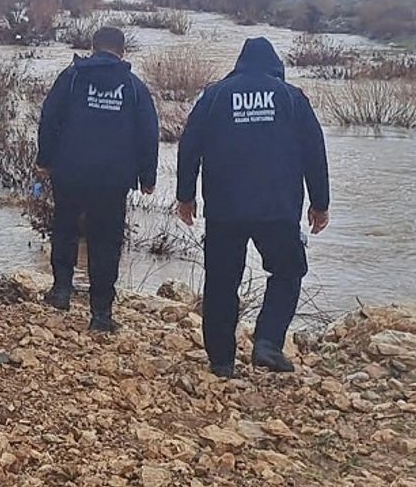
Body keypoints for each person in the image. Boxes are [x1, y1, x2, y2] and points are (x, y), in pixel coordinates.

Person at [176, 37, 329, 378]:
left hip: (224, 209)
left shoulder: (215, 96)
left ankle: (221, 361)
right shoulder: (291, 98)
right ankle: (268, 342)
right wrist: (320, 203)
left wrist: (185, 195)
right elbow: (314, 152)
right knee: (288, 271)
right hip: (277, 208)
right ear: (276, 67)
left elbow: (189, 146)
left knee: (221, 282)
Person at [36, 27, 159, 332]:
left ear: (92, 47)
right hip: (113, 179)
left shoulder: (72, 78)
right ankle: (101, 314)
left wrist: (45, 160)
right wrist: (147, 176)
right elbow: (148, 133)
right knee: (106, 241)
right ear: (122, 51)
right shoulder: (133, 87)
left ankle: (61, 291)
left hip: (70, 170)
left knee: (65, 228)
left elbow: (49, 118)